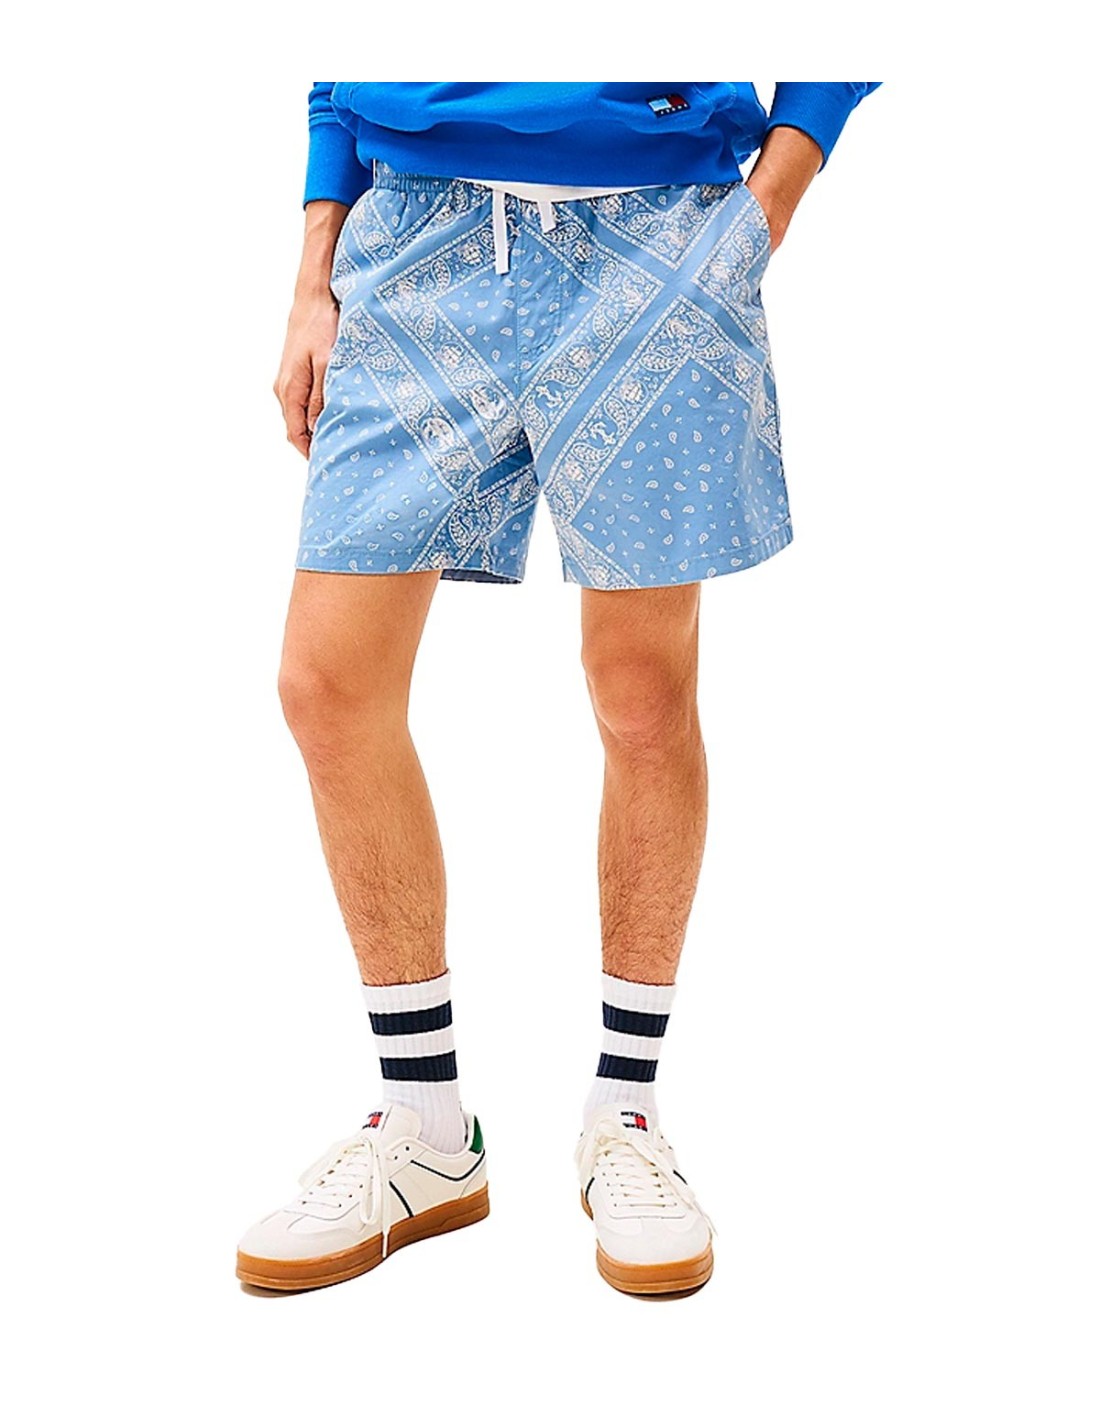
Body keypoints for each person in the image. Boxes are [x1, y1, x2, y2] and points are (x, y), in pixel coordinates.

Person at [236, 81, 880, 1297]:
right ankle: (424, 1129)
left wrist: (764, 210)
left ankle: (623, 1116)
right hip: (413, 244)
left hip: (654, 238)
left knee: (639, 693)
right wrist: (311, 270)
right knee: (325, 684)